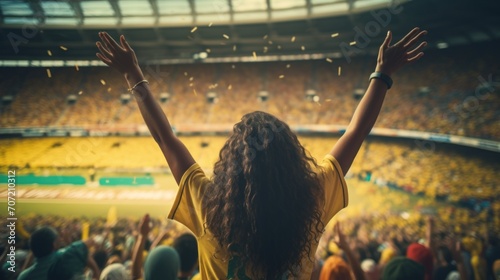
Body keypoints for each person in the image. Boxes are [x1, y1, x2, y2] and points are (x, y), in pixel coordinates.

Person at [96, 27, 427, 279]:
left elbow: (165, 139)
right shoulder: (312, 200)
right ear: (291, 160)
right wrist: (382, 76)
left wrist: (133, 75)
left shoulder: (208, 206)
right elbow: (355, 132)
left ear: (231, 166)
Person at [18, 226, 100, 280]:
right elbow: (89, 242)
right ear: (54, 244)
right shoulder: (67, 255)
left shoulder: (23, 276)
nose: (60, 240)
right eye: (58, 239)